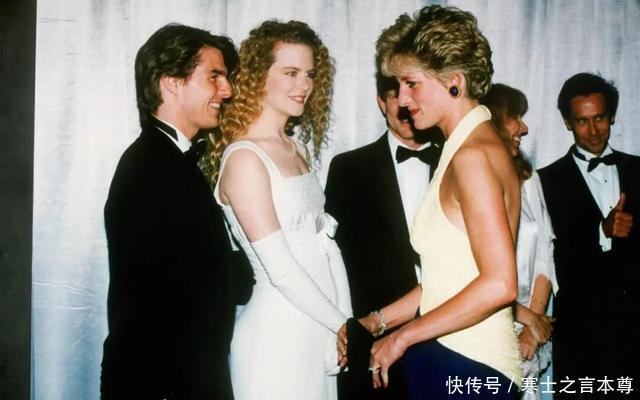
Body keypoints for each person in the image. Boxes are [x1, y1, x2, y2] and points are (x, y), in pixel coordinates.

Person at [354, 6, 522, 399]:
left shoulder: (472, 155)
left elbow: (500, 283)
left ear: (454, 82)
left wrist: (403, 337)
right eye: (398, 85)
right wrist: (377, 324)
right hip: (453, 356)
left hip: (468, 362)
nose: (403, 98)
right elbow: (449, 278)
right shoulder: (467, 145)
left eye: (411, 83)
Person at [211, 20, 351, 400]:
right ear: (259, 76)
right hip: (275, 337)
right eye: (291, 72)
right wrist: (343, 325)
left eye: (310, 74)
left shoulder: (297, 149)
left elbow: (327, 247)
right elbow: (282, 269)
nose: (304, 84)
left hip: (319, 329)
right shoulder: (244, 158)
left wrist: (345, 323)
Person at [101, 24, 243, 399]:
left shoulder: (166, 161)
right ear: (172, 82)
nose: (227, 91)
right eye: (214, 76)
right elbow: (183, 292)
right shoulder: (151, 168)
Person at [325, 71, 442, 400]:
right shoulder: (349, 169)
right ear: (381, 102)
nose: (406, 105)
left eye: (415, 93)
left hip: (452, 336)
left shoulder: (460, 161)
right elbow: (335, 260)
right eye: (395, 96)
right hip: (377, 346)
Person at [538, 72, 640, 398]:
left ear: (611, 116)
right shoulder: (544, 182)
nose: (593, 130)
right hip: (580, 337)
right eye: (582, 121)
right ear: (567, 123)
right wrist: (601, 232)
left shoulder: (638, 170)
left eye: (600, 118)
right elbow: (549, 260)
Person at [482, 83, 558, 400]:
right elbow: (474, 275)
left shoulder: (529, 179)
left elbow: (545, 255)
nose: (523, 128)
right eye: (515, 117)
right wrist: (528, 319)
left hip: (529, 331)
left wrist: (532, 330)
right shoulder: (472, 179)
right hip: (486, 330)